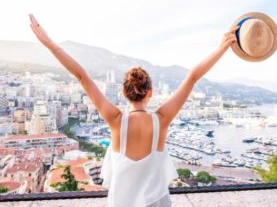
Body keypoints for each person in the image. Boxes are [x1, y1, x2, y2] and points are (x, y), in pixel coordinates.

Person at [29, 14, 238, 207]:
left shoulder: (116, 120)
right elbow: (192, 77)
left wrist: (50, 44)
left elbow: (82, 76)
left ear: (123, 92)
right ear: (150, 93)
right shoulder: (161, 120)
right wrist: (222, 48)